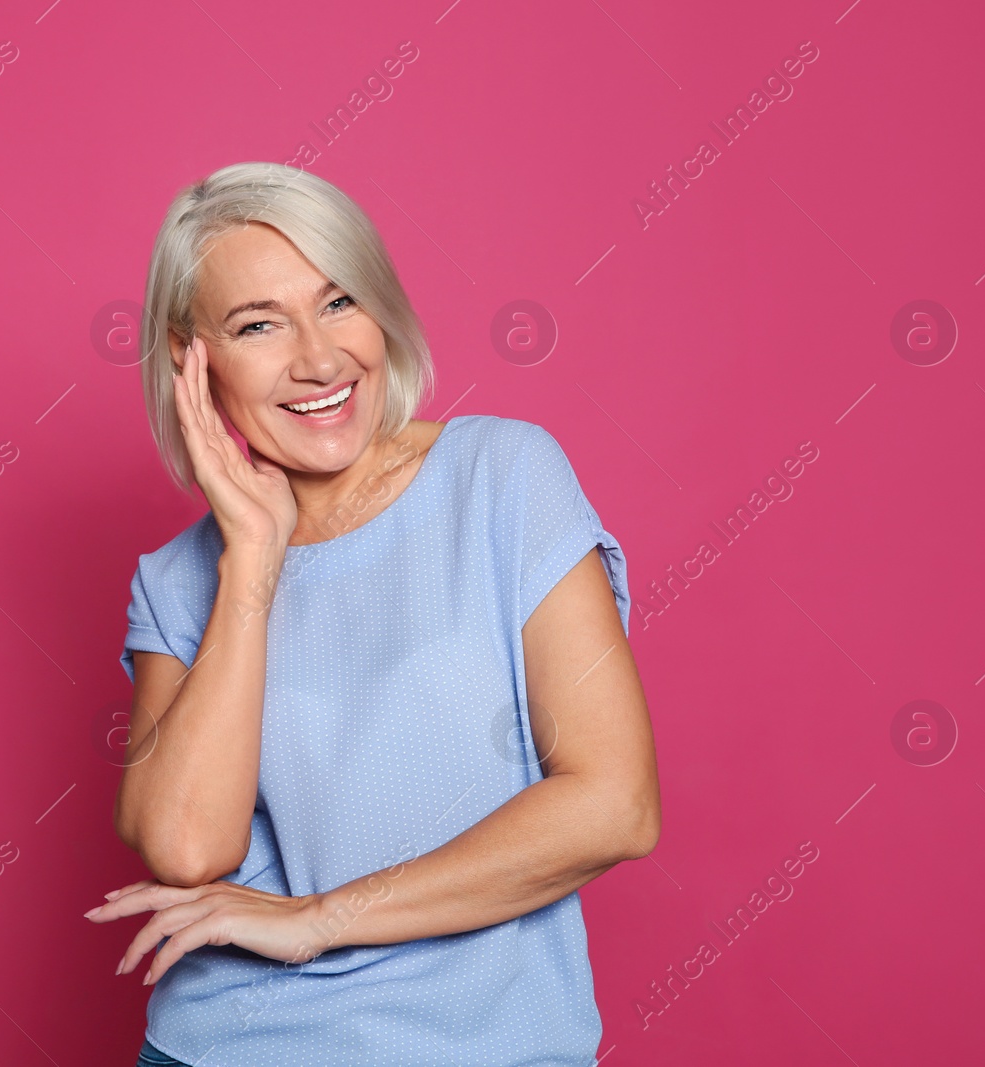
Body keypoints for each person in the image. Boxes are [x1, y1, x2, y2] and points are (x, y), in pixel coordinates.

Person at [85, 161, 660, 1067]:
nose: (318, 359)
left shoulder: (504, 479)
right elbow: (187, 846)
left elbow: (613, 804)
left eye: (339, 301)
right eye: (258, 324)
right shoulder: (181, 578)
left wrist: (320, 919)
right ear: (190, 358)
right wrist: (253, 564)